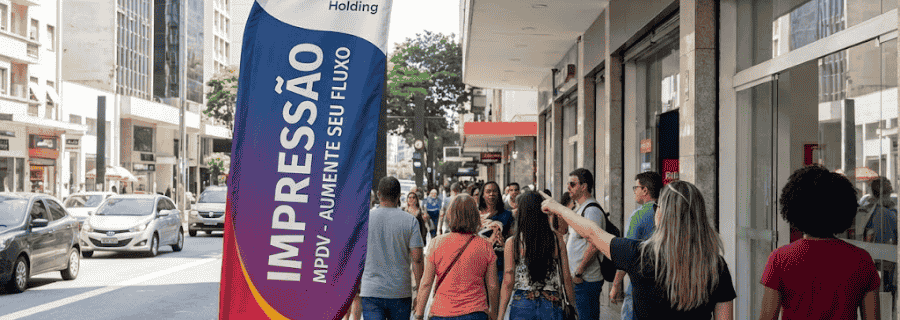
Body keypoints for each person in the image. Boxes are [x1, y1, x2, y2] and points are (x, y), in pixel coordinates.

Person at [541, 180, 736, 319]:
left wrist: (558, 208)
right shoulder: (715, 265)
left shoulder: (639, 255)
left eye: (657, 207)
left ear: (662, 214)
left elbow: (592, 233)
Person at [759, 165, 879, 319]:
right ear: (845, 209)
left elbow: (767, 317)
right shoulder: (862, 259)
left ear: (794, 208)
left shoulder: (780, 259)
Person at [414, 195, 500, 320]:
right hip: (475, 312)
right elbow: (492, 285)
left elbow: (426, 283)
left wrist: (419, 314)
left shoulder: (436, 243)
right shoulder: (485, 246)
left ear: (450, 215)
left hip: (442, 312)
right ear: (475, 216)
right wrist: (494, 313)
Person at [497, 191, 575, 320]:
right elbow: (566, 276)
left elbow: (508, 279)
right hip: (551, 303)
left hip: (522, 304)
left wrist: (500, 315)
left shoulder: (513, 242)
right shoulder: (556, 239)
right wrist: (572, 305)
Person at [360, 176, 425, 320]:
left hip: (371, 291)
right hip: (400, 292)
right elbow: (417, 259)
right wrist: (420, 292)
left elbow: (356, 255)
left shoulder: (365, 219)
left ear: (378, 194)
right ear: (399, 196)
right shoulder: (410, 221)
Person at [611, 171, 662, 319]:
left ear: (645, 190)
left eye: (636, 188)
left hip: (639, 285)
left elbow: (627, 253)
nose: (634, 191)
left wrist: (615, 285)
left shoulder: (638, 215)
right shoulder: (668, 212)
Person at [565, 168, 605, 320]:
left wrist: (579, 272)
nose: (568, 187)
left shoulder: (592, 210)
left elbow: (594, 244)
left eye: (572, 184)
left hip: (586, 279)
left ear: (584, 186)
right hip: (579, 278)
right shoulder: (579, 208)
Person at [479, 181, 514, 285]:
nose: (491, 194)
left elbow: (512, 238)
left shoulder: (507, 215)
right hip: (479, 261)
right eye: (488, 191)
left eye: (494, 191)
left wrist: (504, 243)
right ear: (483, 195)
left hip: (499, 262)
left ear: (499, 194)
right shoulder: (475, 215)